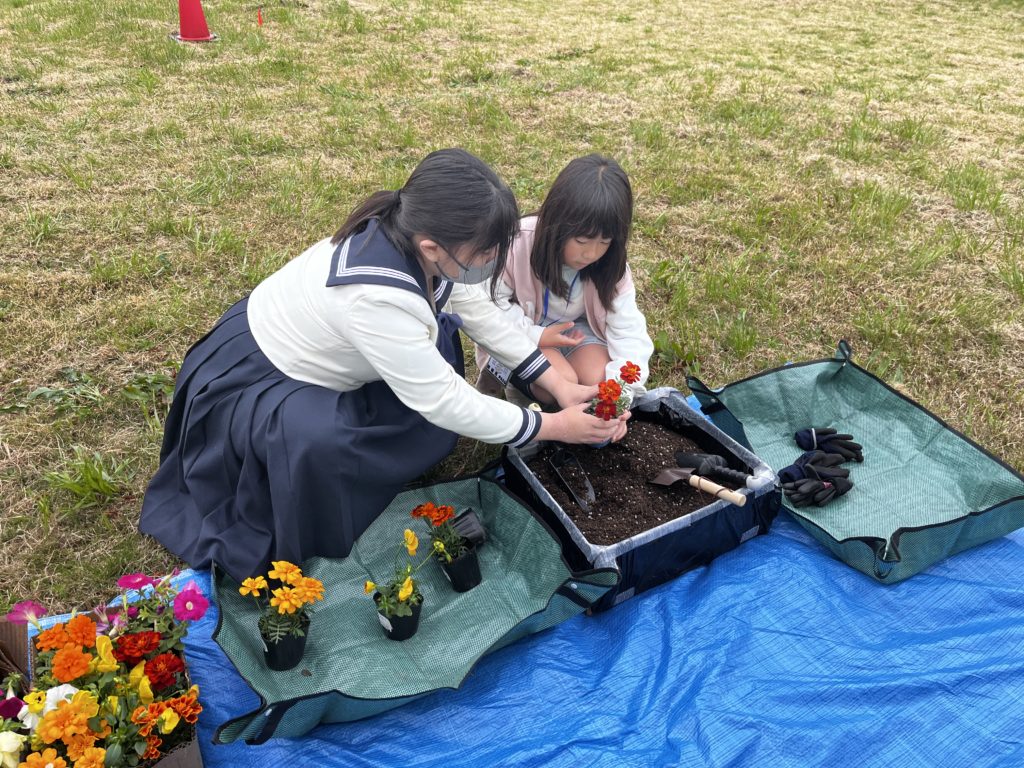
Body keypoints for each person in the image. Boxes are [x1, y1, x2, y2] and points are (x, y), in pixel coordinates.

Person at [139, 149, 628, 581]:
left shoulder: (419, 238)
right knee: (327, 442)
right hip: (267, 378)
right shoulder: (374, 299)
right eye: (484, 252)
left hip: (338, 351)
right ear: (433, 248)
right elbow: (443, 399)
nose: (494, 260)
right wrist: (549, 425)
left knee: (434, 358)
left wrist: (549, 382)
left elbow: (477, 309)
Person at [476, 154, 654, 404]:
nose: (591, 253)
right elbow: (489, 308)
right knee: (560, 383)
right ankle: (526, 411)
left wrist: (619, 394)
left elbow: (629, 331)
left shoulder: (612, 266)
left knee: (600, 384)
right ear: (556, 223)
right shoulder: (517, 244)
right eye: (581, 241)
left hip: (578, 334)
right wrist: (538, 336)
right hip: (523, 334)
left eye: (604, 241)